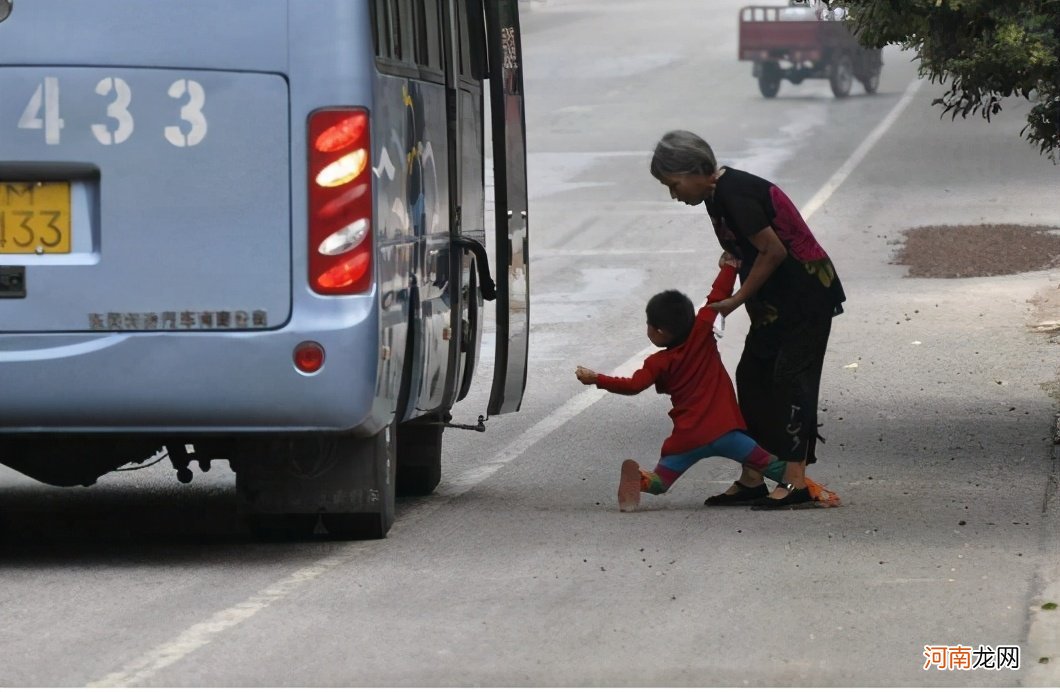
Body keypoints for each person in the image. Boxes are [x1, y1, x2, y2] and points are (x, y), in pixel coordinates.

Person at [650, 130, 846, 509]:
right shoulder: (715, 197)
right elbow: (742, 251)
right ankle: (753, 476)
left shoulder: (734, 193)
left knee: (791, 381)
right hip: (775, 304)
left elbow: (772, 251)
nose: (674, 195)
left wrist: (737, 299)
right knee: (752, 377)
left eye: (674, 184)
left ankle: (795, 482)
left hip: (806, 298)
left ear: (697, 171)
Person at [574, 260, 839, 512]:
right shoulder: (702, 330)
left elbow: (633, 385)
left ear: (659, 332)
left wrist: (597, 378)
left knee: (661, 483)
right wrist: (730, 266)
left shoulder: (657, 362)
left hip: (687, 438)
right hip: (727, 433)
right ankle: (812, 491)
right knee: (774, 466)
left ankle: (641, 480)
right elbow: (717, 296)